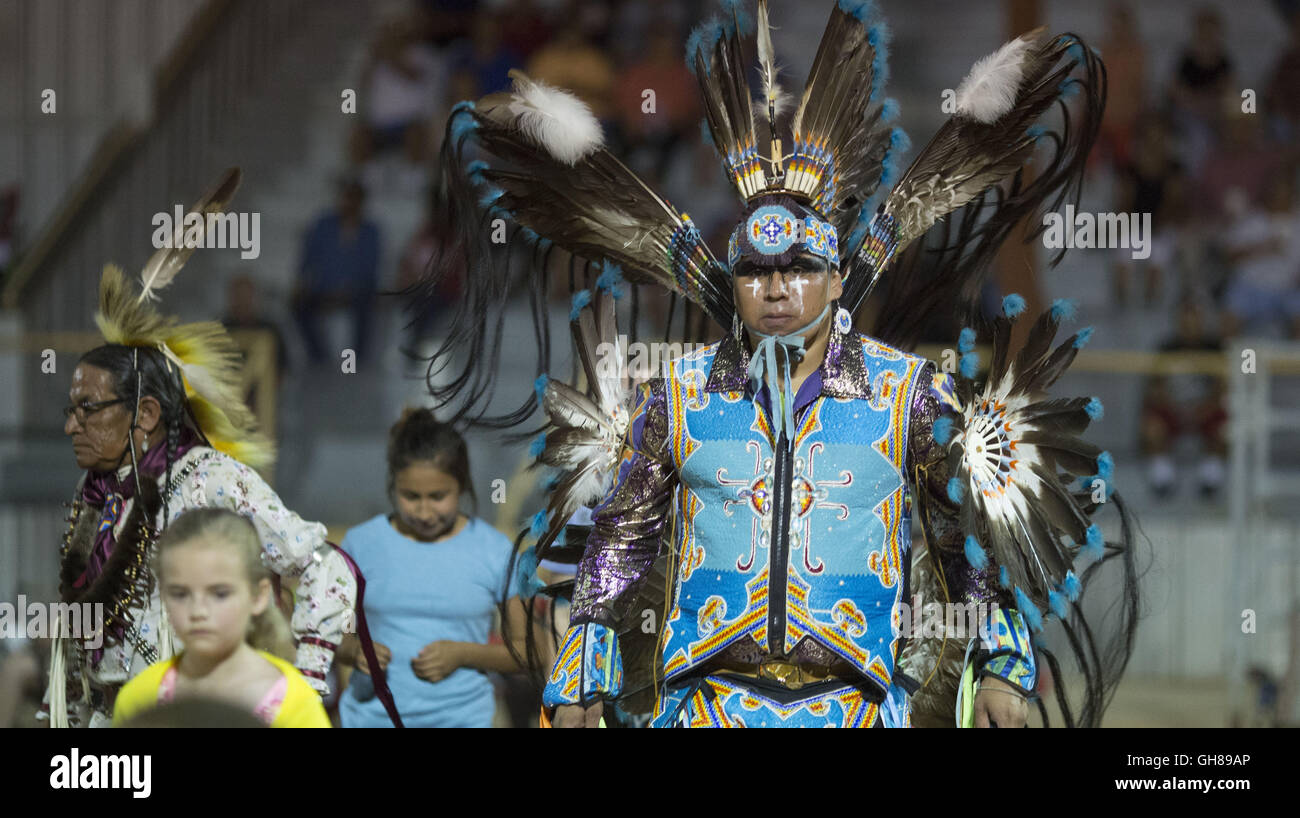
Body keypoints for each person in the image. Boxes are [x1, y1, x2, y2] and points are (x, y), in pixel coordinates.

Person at [430, 1, 1138, 728]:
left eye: (798, 267)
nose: (776, 286)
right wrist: (580, 672)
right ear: (733, 283)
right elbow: (625, 532)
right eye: (756, 271)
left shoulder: (908, 396)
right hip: (705, 704)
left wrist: (1003, 668)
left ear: (836, 281)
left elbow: (967, 548)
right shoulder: (677, 395)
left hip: (855, 706)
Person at [44, 169, 356, 728]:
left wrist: (305, 681)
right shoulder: (96, 490)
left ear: (145, 414)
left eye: (87, 409)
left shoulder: (211, 479)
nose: (72, 426)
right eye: (70, 411)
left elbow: (324, 567)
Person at [336, 409, 527, 728]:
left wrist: (463, 654)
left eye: (438, 497)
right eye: (411, 497)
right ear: (392, 486)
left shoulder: (495, 551)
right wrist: (356, 651)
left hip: (463, 720)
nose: (424, 512)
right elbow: (333, 636)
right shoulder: (360, 545)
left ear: (462, 486)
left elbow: (523, 652)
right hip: (370, 719)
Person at [113, 509, 331, 728]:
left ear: (258, 595)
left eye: (220, 594)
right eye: (180, 594)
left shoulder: (295, 703)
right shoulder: (139, 697)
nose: (198, 611)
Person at [292, 178, 382, 365]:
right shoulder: (322, 224)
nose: (350, 203)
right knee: (299, 305)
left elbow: (371, 268)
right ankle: (319, 357)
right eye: (347, 197)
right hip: (323, 289)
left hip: (356, 292)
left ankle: (358, 360)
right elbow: (308, 258)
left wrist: (348, 290)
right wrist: (301, 282)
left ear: (362, 202)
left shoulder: (371, 231)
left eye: (355, 199)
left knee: (368, 305)